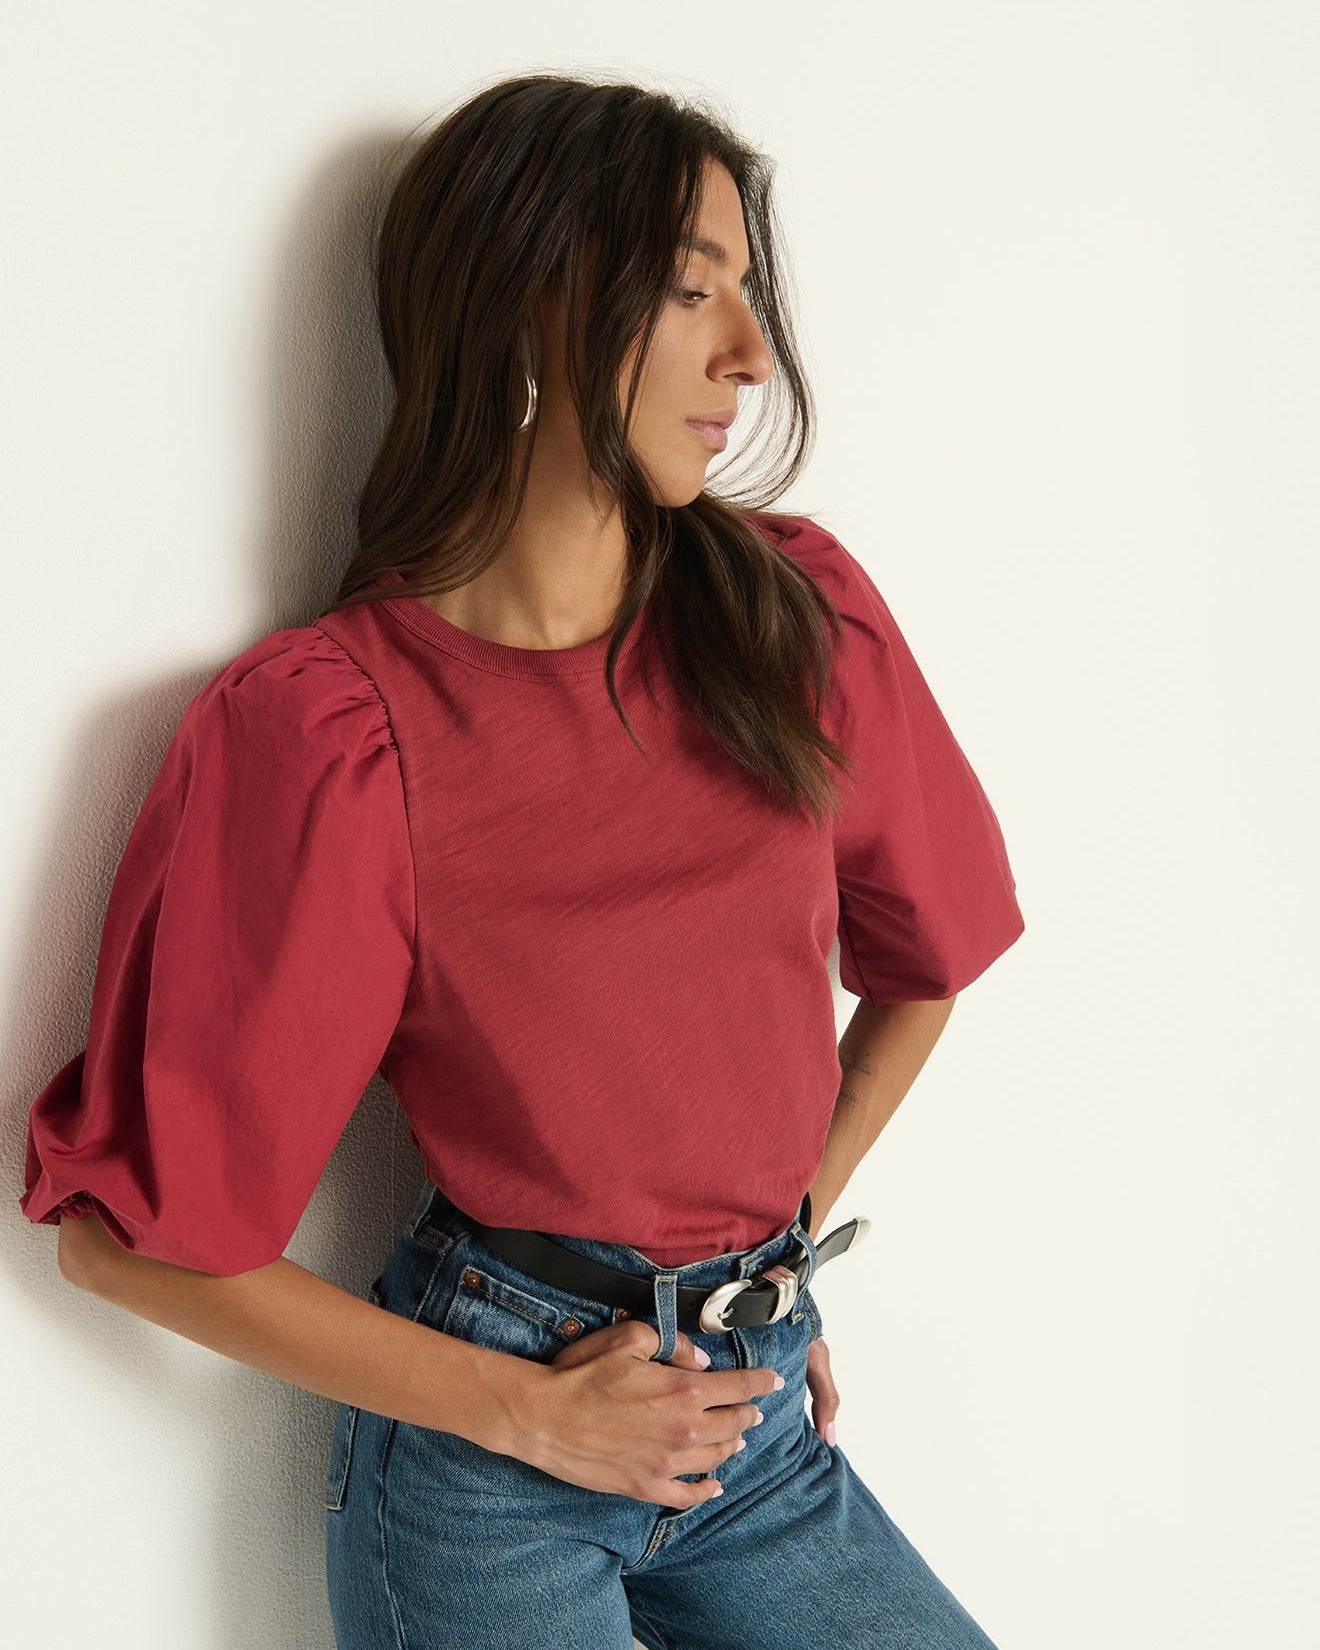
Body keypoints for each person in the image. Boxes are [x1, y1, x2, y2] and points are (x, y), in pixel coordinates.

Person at [19, 72, 1025, 1650]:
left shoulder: (788, 619)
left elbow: (929, 963)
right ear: (540, 305)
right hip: (491, 1472)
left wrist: (759, 1257)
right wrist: (533, 1415)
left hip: (746, 1431)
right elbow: (131, 1241)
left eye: (746, 296)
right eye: (695, 290)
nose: (751, 358)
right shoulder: (338, 734)